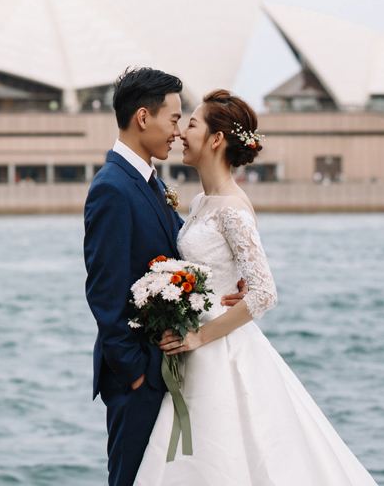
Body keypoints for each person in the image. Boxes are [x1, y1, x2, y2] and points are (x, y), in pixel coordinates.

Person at [134, 89, 376, 485]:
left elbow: (264, 292)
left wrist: (198, 338)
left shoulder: (232, 207)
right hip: (198, 338)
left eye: (192, 124)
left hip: (216, 345)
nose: (181, 134)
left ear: (215, 140)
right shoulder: (200, 203)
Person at [83, 69, 247, 486]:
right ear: (143, 117)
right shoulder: (113, 188)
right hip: (138, 375)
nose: (177, 132)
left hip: (165, 365)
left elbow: (182, 249)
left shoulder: (149, 182)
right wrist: (136, 371)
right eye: (173, 119)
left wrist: (228, 278)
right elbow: (105, 289)